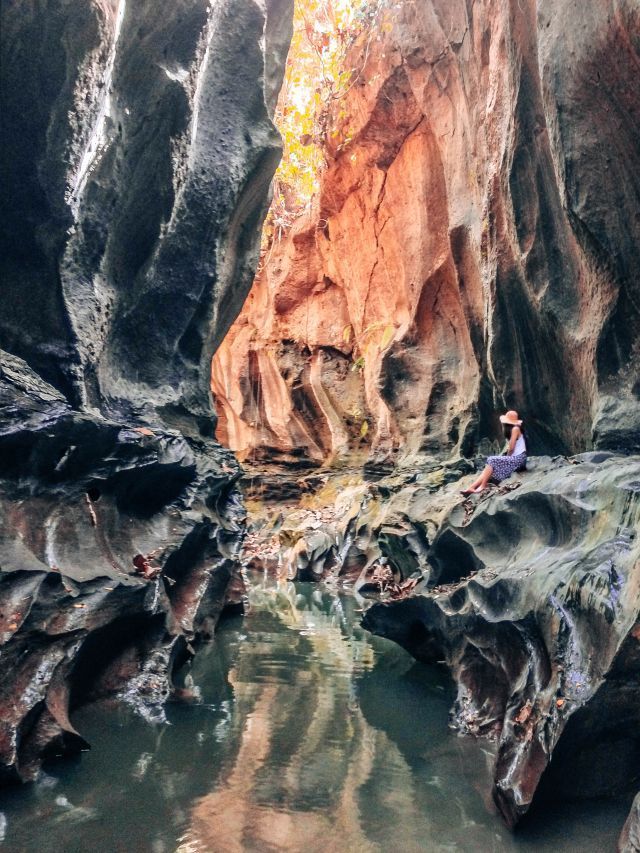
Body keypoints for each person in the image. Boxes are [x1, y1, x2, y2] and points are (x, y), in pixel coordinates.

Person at [461, 410, 527, 495]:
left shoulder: (515, 429)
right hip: (518, 459)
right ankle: (472, 487)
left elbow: (511, 448)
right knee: (488, 468)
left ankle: (483, 486)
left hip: (519, 459)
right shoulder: (515, 429)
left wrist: (507, 457)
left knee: (491, 460)